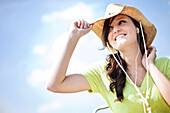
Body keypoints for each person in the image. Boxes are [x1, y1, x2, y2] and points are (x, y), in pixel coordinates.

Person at [46, 3, 170, 113]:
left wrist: (151, 66)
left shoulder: (163, 64)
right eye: (109, 29)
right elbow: (55, 85)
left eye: (122, 22)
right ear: (109, 41)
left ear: (137, 29)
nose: (116, 29)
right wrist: (73, 36)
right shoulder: (103, 72)